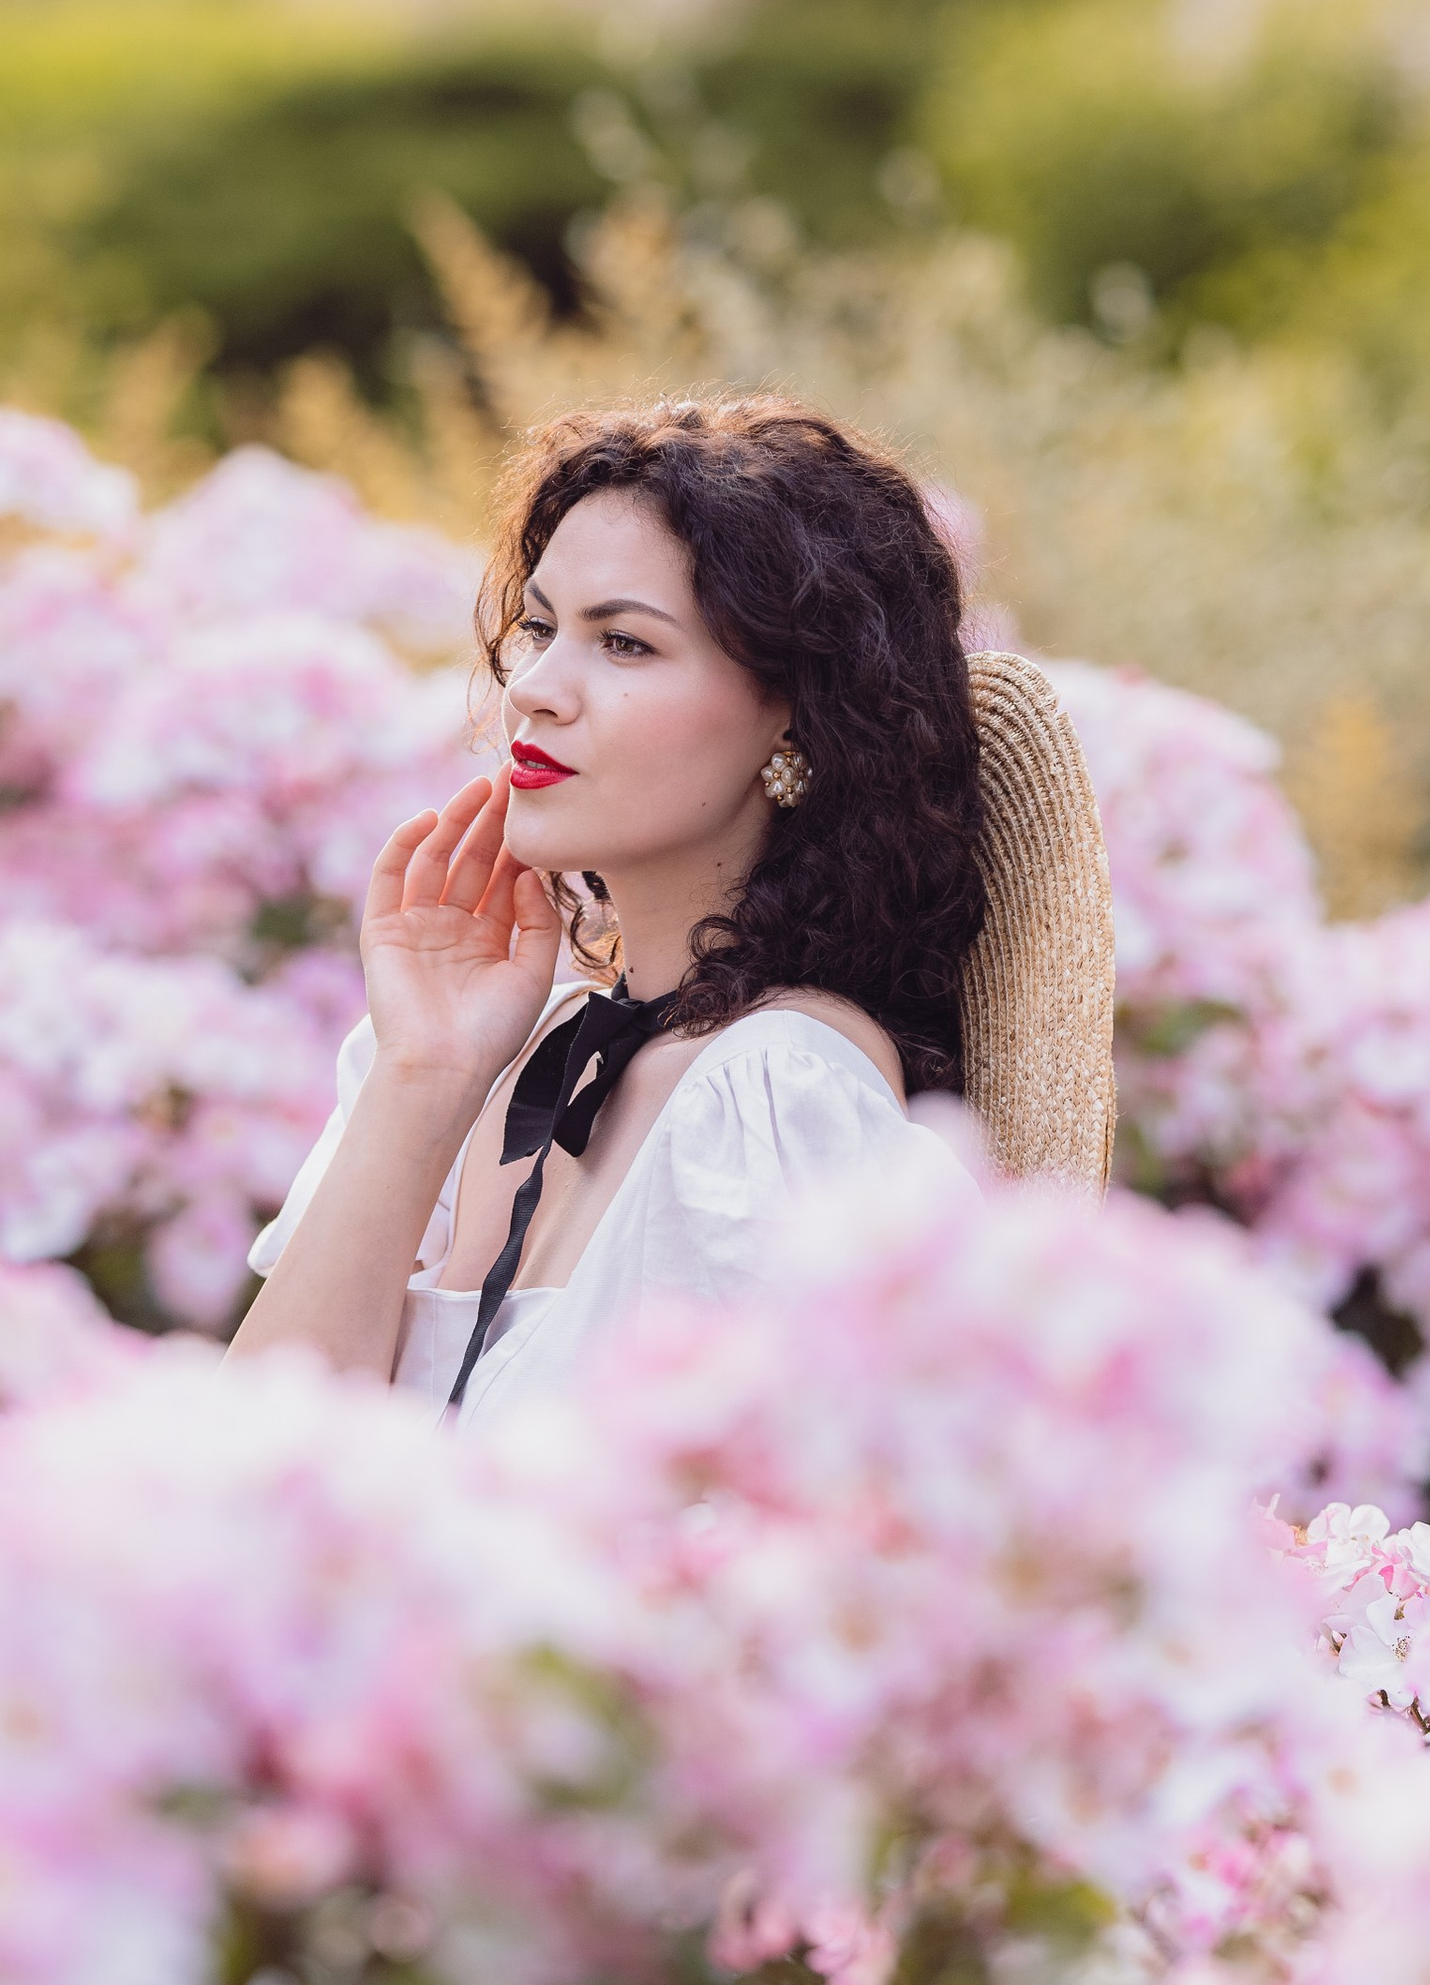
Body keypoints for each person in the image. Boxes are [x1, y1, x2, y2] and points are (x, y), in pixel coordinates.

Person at [234, 395, 1002, 1419]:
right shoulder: (500, 1052)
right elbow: (256, 1452)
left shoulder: (772, 1092)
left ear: (798, 721)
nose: (537, 689)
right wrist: (425, 1073)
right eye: (541, 628)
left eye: (626, 645)